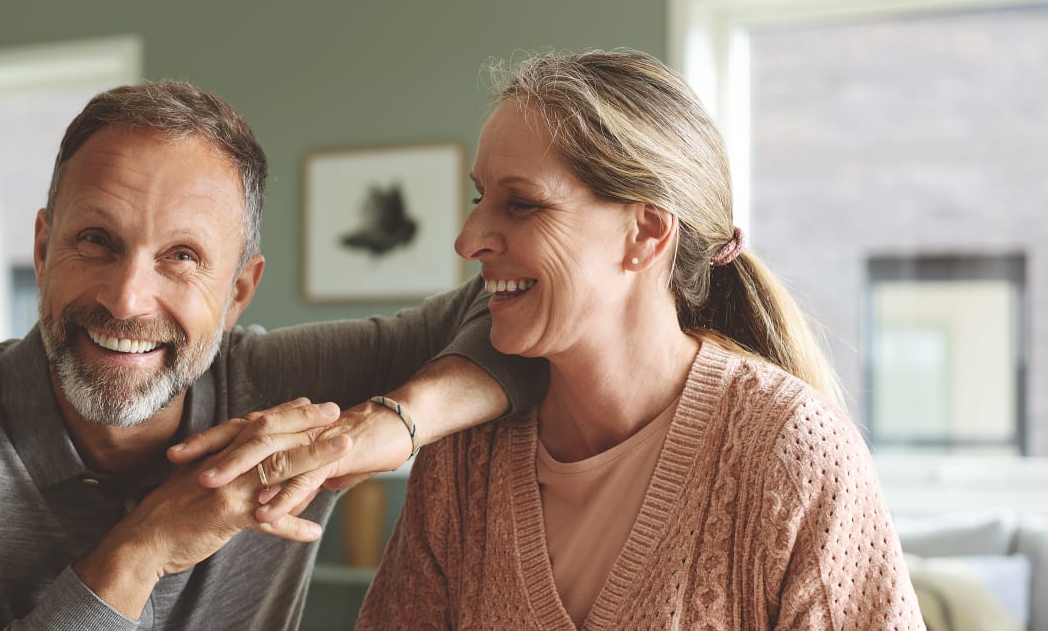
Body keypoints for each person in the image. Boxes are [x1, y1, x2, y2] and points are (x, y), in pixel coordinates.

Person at [0, 80, 543, 630]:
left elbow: (525, 306)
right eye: (96, 242)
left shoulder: (287, 387)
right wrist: (146, 547)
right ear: (43, 248)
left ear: (238, 292)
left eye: (181, 257)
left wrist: (387, 425)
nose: (127, 298)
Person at [356, 50, 925, 629]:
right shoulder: (463, 459)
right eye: (481, 198)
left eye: (521, 204)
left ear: (647, 233)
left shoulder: (793, 452)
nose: (468, 239)